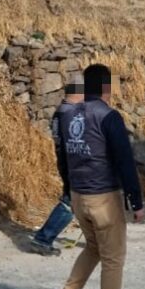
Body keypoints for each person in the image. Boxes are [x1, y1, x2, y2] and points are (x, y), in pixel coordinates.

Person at [51, 64, 145, 289]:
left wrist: (68, 190)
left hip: (79, 196)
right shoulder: (108, 116)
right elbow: (125, 161)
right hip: (103, 198)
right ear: (108, 87)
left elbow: (62, 157)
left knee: (93, 248)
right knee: (113, 259)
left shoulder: (67, 115)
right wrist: (136, 201)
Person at [27, 75, 84, 257]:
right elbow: (76, 141)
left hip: (66, 161)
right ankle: (42, 239)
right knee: (70, 201)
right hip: (73, 163)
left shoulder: (61, 111)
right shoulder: (71, 113)